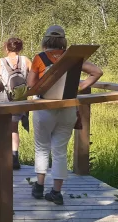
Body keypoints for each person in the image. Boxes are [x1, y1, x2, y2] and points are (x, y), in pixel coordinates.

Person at [27, 26, 103, 205]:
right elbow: (97, 72)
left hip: (45, 107)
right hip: (68, 108)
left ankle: (39, 186)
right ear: (63, 41)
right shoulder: (73, 58)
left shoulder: (40, 58)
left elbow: (31, 83)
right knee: (59, 150)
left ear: (45, 40)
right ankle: (56, 192)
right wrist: (80, 87)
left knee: (41, 147)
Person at [0, 37, 32, 170]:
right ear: (20, 48)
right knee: (14, 129)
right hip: (21, 99)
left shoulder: (1, 62)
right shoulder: (25, 60)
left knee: (3, 128)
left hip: (5, 98)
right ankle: (14, 156)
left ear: (6, 48)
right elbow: (33, 77)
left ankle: (3, 157)